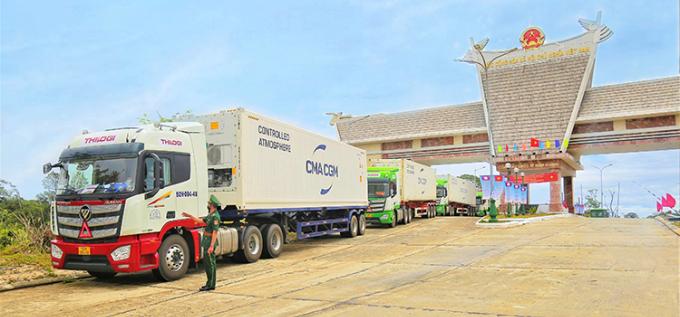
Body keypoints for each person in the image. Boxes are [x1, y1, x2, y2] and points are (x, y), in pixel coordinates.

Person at [181, 195, 222, 291]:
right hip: (207, 240)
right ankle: (209, 283)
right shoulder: (211, 214)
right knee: (208, 263)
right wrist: (190, 216)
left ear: (212, 205)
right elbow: (201, 221)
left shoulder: (215, 216)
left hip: (210, 241)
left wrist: (211, 246)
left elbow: (215, 232)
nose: (207, 205)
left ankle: (211, 285)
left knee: (210, 263)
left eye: (209, 203)